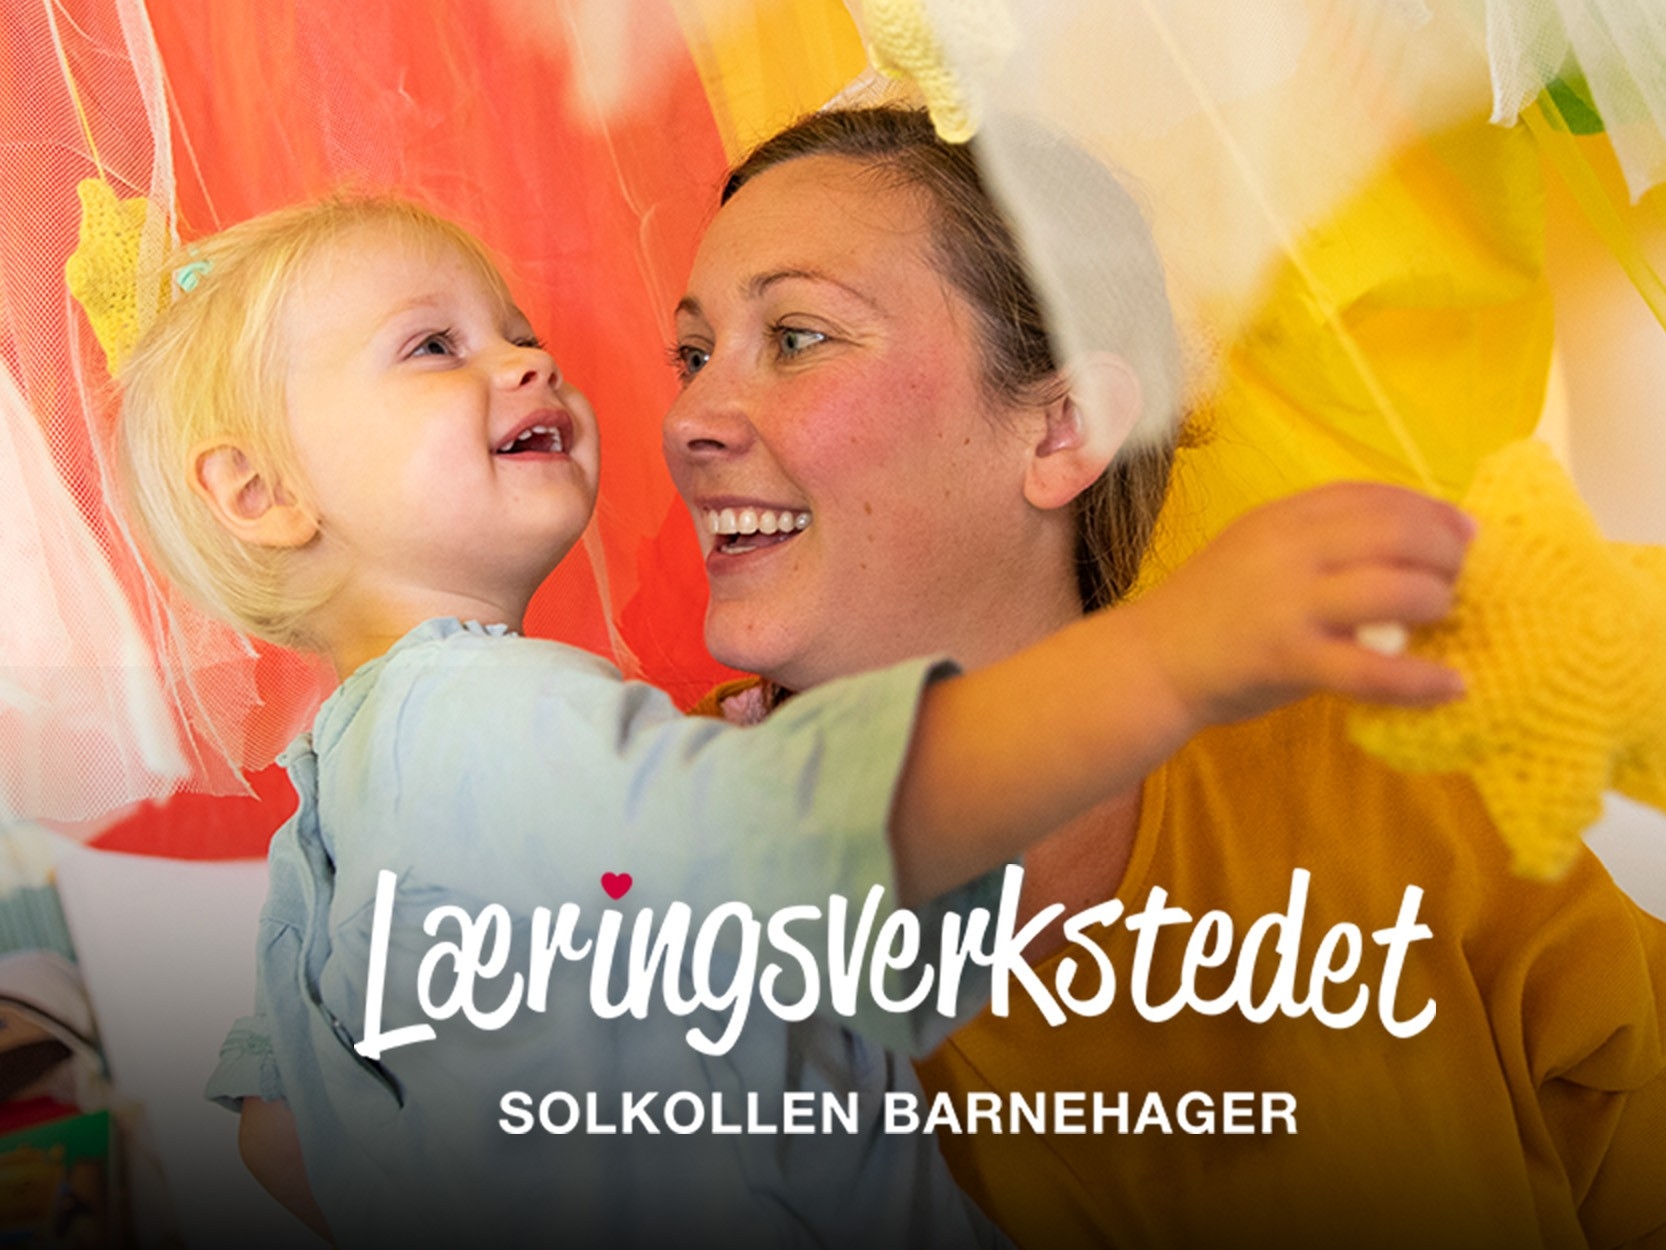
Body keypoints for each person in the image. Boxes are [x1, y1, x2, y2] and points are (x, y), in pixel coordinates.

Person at [113, 195, 1470, 1247]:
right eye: (433, 345)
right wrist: (1173, 657)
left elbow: (281, 1139)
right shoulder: (484, 718)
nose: (527, 359)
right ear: (259, 495)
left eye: (515, 327)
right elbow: (815, 840)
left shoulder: (339, 795)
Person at [664, 106, 1666, 1250]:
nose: (689, 417)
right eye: (690, 356)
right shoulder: (642, 872)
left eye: (796, 336)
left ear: (1063, 428)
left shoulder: (1385, 778)